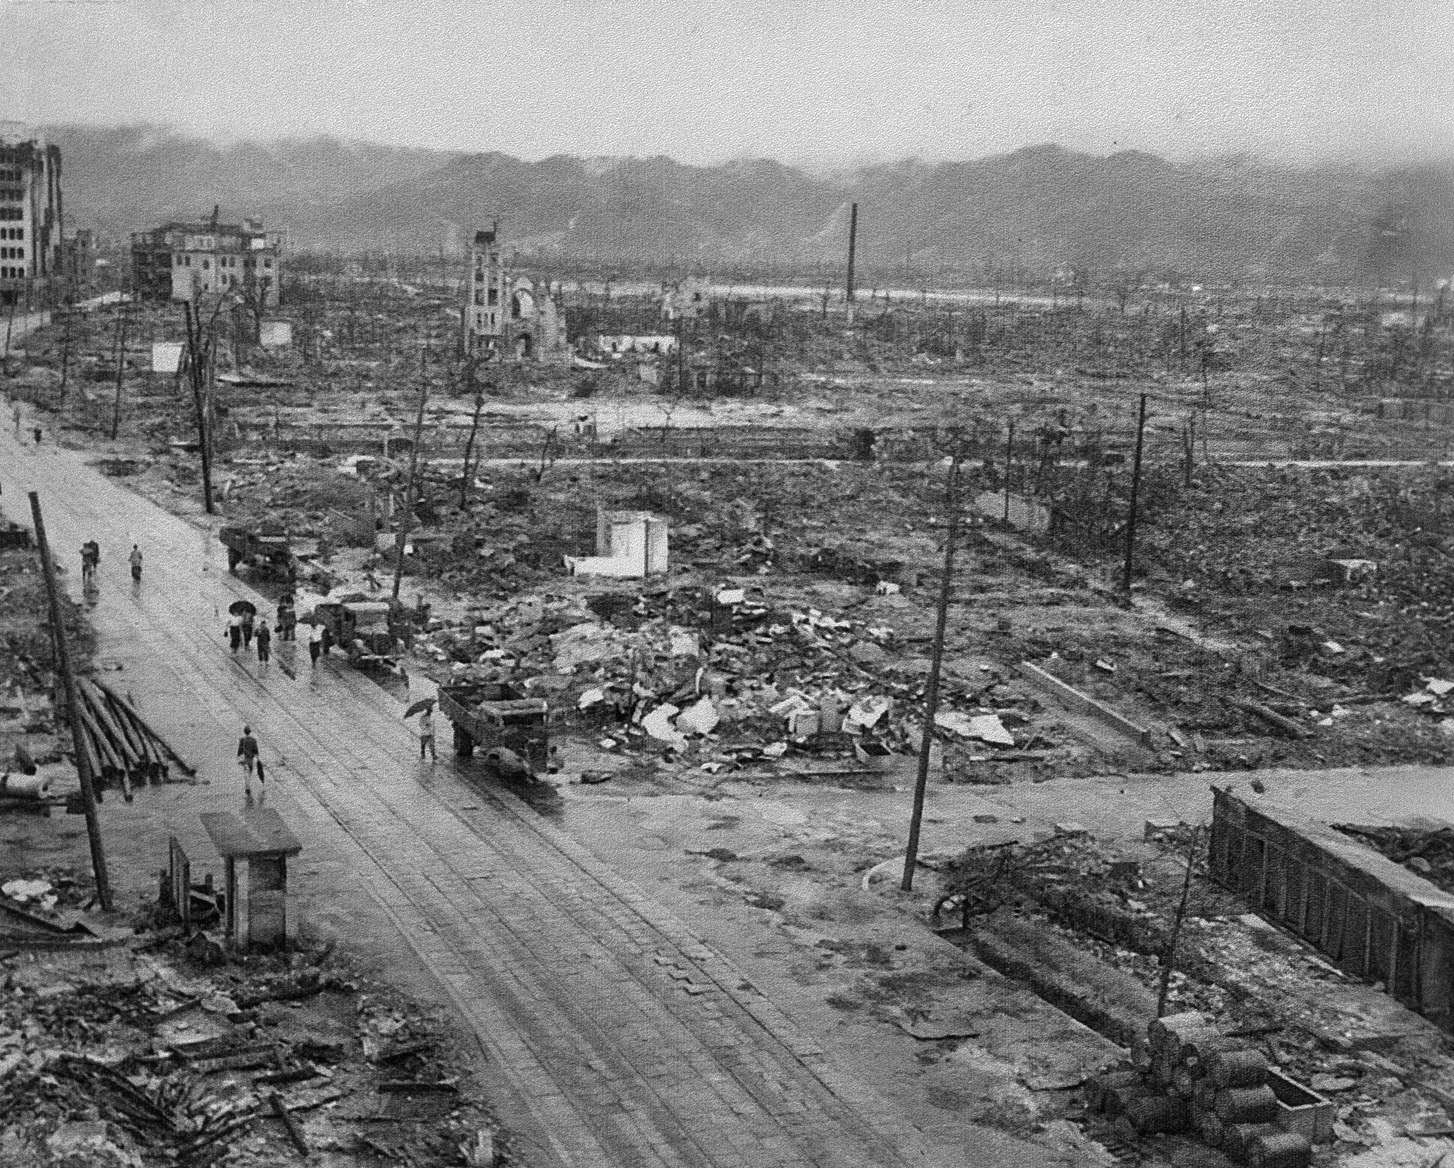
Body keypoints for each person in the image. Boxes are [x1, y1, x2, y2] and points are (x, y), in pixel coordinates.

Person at [237, 725, 261, 798]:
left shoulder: (242, 740)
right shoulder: (253, 740)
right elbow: (256, 750)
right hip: (251, 759)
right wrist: (257, 757)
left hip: (245, 759)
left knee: (246, 772)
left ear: (244, 732)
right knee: (249, 772)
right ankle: (247, 786)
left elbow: (240, 750)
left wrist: (238, 756)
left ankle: (247, 787)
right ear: (250, 732)